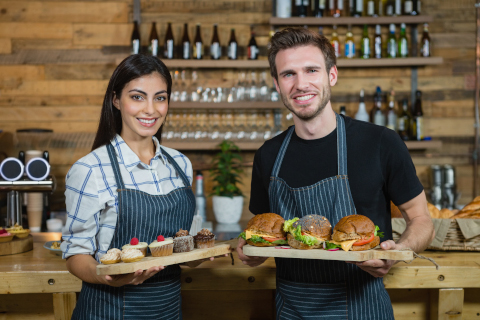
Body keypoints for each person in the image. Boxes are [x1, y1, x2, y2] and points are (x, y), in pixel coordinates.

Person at [237, 28, 435, 319]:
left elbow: (422, 220)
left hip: (362, 306)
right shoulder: (268, 154)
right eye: (288, 74)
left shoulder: (381, 143)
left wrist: (397, 251)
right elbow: (266, 236)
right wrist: (251, 251)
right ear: (277, 85)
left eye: (311, 70)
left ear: (332, 75)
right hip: (292, 309)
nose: (300, 84)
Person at [61, 54, 213, 319]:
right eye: (137, 97)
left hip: (167, 309)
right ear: (116, 100)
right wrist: (108, 277)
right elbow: (76, 254)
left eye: (160, 98)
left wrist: (197, 255)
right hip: (108, 310)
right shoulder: (90, 169)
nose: (151, 110)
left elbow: (177, 247)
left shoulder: (180, 164)